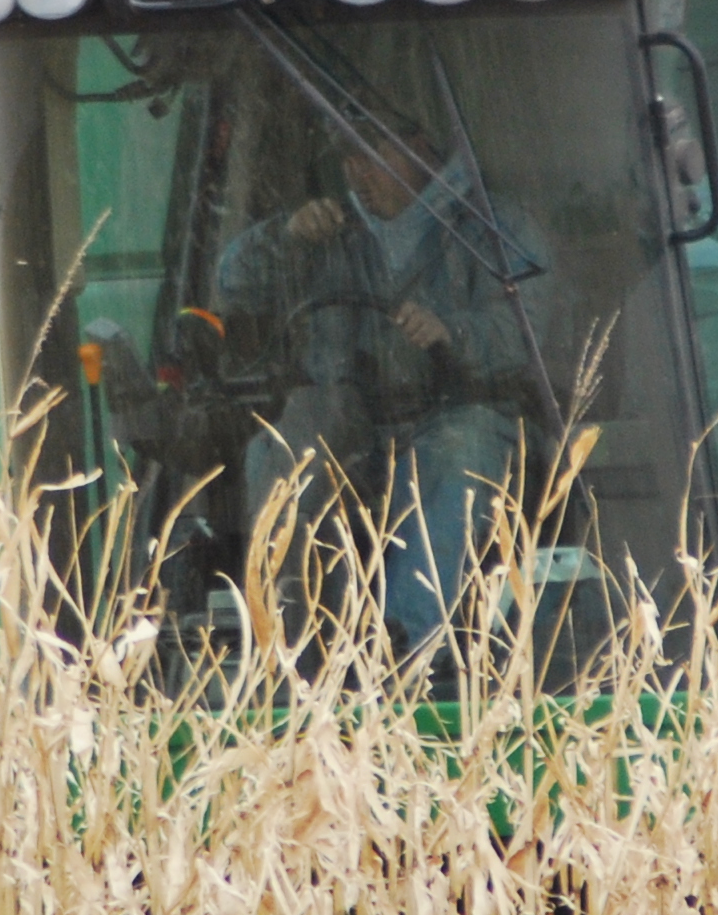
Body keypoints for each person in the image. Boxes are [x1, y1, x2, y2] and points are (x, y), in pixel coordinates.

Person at [212, 130, 545, 651]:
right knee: (280, 450)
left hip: (461, 407)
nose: (356, 174)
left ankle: (404, 648)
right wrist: (284, 239)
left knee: (459, 449)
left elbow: (537, 334)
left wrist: (453, 333)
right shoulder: (329, 231)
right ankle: (281, 644)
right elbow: (232, 288)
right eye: (347, 158)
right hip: (353, 422)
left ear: (421, 147)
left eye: (371, 154)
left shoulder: (491, 227)